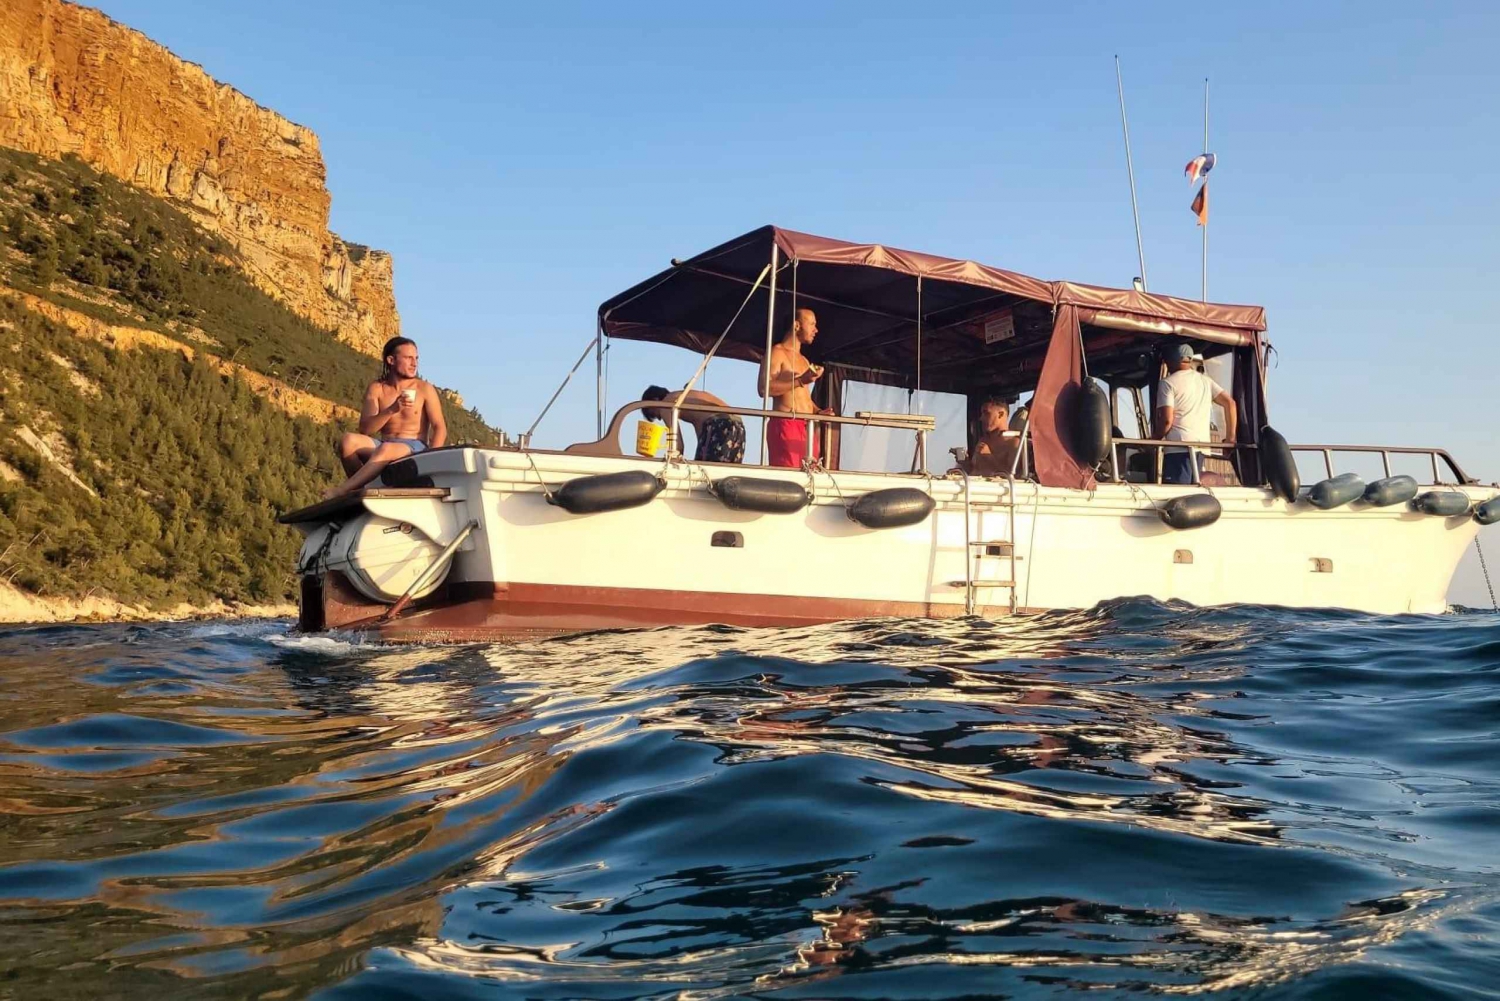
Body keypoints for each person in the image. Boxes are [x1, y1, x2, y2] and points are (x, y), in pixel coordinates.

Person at [326, 336, 447, 498]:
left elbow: (440, 427)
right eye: (408, 358)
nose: (414, 363)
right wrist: (392, 409)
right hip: (384, 444)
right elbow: (366, 429)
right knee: (348, 441)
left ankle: (344, 490)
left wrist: (432, 459)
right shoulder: (377, 389)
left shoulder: (424, 389)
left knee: (386, 449)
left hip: (414, 447)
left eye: (416, 358)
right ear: (391, 360)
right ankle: (364, 487)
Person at [759, 307, 833, 467]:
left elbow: (802, 396)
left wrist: (818, 411)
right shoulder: (776, 352)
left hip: (807, 427)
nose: (816, 330)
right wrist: (801, 380)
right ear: (796, 325)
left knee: (810, 479)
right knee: (789, 480)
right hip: (786, 423)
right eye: (812, 324)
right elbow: (764, 389)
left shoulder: (804, 360)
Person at [1154, 342, 1236, 485]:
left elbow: (1166, 421)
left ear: (1171, 360)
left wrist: (1152, 440)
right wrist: (1230, 438)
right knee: (1193, 490)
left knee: (1177, 495)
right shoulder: (1206, 381)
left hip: (1178, 450)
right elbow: (1230, 403)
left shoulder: (1167, 383)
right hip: (1201, 448)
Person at [641, 385, 746, 463]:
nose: (659, 418)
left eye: (653, 413)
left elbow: (677, 446)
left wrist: (668, 465)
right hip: (738, 426)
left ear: (655, 400)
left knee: (704, 473)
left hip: (718, 425)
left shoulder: (665, 403)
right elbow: (701, 434)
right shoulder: (685, 396)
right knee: (727, 476)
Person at [960, 396, 1021, 476]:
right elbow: (975, 470)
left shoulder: (1013, 443)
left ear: (1000, 414)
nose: (981, 418)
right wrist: (965, 463)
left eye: (986, 413)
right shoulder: (983, 440)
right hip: (973, 486)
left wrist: (989, 456)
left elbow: (1013, 476)